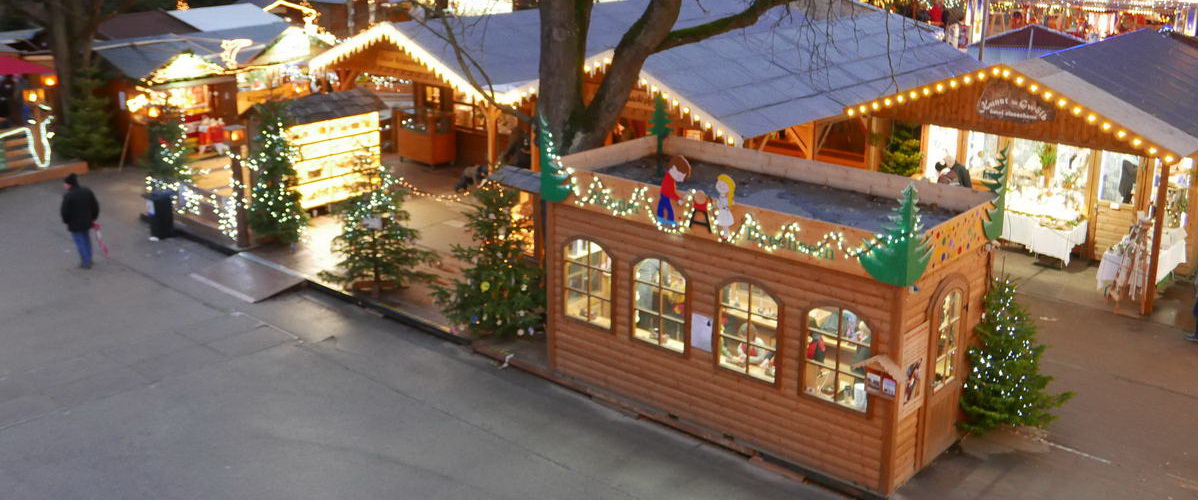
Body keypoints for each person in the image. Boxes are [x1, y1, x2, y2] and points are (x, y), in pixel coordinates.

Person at [60, 173, 100, 269]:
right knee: (86, 239)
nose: (64, 185)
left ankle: (85, 261)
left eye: (65, 183)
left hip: (75, 224)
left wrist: (66, 222)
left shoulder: (68, 196)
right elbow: (95, 206)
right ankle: (89, 258)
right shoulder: (87, 191)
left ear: (70, 184)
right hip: (87, 221)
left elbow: (64, 212)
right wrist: (94, 218)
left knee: (80, 241)